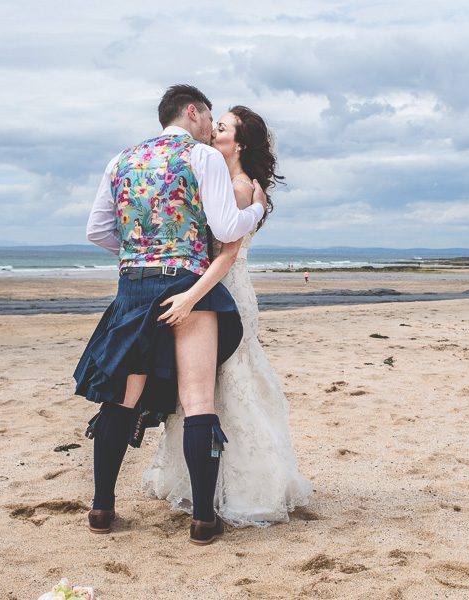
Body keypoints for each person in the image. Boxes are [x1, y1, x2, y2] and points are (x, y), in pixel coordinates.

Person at [74, 85, 267, 545]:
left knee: (122, 398)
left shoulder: (119, 161)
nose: (211, 128)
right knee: (198, 400)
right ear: (193, 112)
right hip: (187, 284)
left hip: (134, 285)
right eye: (210, 118)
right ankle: (203, 520)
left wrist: (141, 250)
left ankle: (102, 509)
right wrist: (257, 209)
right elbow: (225, 226)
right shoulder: (202, 158)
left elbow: (97, 231)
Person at [143, 106, 312, 527]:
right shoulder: (225, 180)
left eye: (221, 127)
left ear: (238, 144)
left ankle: (238, 488)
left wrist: (189, 296)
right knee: (207, 387)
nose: (211, 131)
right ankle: (201, 481)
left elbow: (228, 254)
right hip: (217, 289)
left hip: (224, 293)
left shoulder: (239, 187)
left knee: (226, 385)